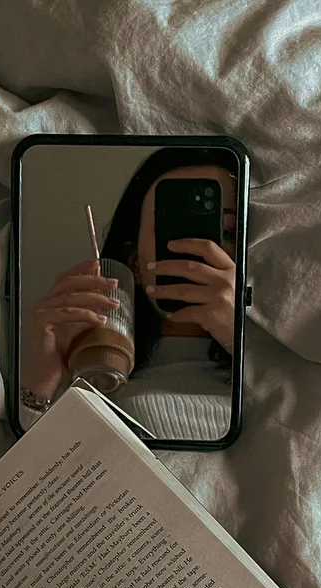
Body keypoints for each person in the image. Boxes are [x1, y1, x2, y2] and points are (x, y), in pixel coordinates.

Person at [20, 147, 238, 439]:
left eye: (228, 231)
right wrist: (40, 381)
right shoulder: (93, 374)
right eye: (172, 227)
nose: (197, 251)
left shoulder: (275, 370)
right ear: (134, 262)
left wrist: (244, 342)